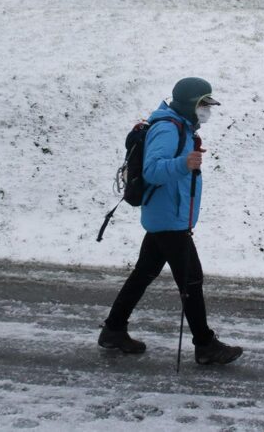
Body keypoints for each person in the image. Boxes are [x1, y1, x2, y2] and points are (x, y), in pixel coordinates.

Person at [98, 77, 244, 366]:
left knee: (143, 274)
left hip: (166, 215)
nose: (207, 110)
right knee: (192, 280)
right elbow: (152, 170)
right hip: (169, 219)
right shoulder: (168, 127)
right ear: (190, 103)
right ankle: (205, 345)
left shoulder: (182, 126)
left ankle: (113, 330)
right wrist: (183, 163)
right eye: (204, 104)